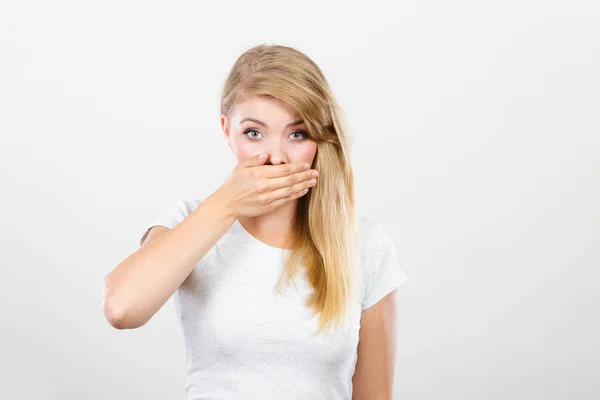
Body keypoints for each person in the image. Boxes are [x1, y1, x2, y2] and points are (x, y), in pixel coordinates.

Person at [102, 44, 407, 400]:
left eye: (298, 134)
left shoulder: (364, 244)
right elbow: (121, 308)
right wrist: (227, 203)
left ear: (320, 140)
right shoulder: (190, 221)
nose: (276, 158)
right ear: (226, 131)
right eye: (253, 133)